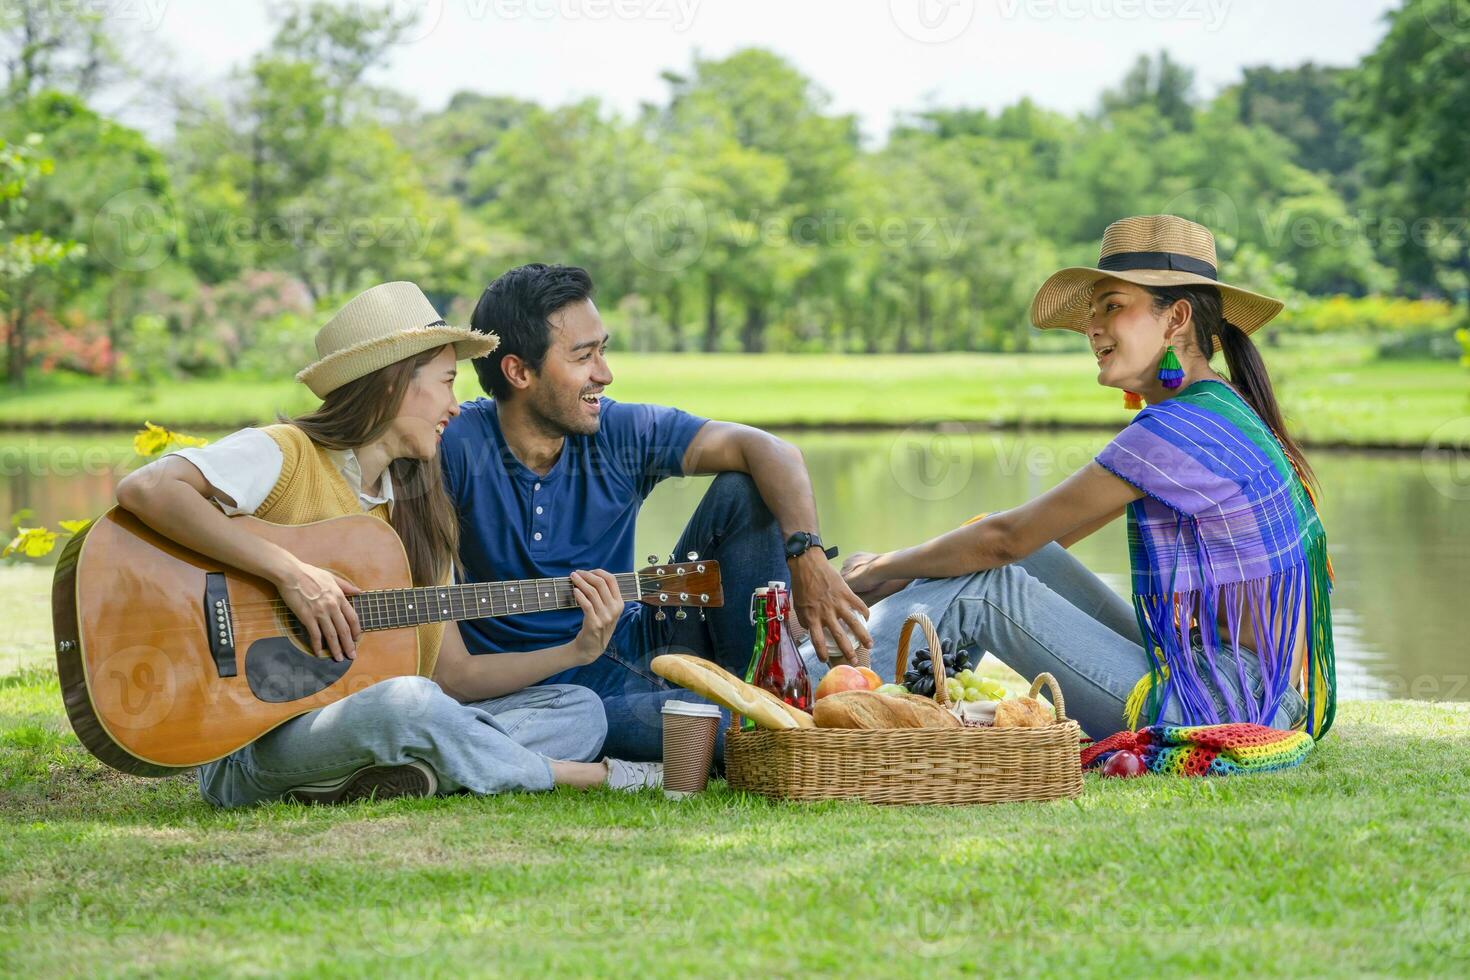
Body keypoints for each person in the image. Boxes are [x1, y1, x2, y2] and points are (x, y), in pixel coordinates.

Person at [115, 281, 661, 805]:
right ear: (395, 382)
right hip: (249, 745)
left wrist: (577, 651)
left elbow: (457, 677)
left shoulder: (420, 508)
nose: (455, 406)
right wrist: (291, 573)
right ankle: (589, 778)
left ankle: (390, 775)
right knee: (409, 704)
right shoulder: (287, 455)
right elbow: (149, 488)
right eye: (447, 382)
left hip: (366, 722)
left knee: (577, 708)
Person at [819, 215, 1336, 741]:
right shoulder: (1218, 407)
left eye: (1112, 306)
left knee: (986, 586)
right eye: (1091, 313)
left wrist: (873, 570)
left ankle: (804, 708)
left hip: (1222, 699)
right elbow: (1033, 541)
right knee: (1002, 555)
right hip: (1244, 686)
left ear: (1176, 317)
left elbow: (1004, 544)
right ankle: (891, 702)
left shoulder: (1180, 426)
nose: (1091, 327)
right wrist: (908, 568)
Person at [440, 263, 872, 761]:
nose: (604, 373)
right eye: (584, 356)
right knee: (726, 732)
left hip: (643, 640)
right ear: (518, 371)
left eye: (602, 350)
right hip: (552, 695)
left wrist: (808, 559)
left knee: (746, 488)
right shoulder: (454, 446)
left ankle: (757, 692)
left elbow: (770, 450)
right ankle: (757, 721)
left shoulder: (620, 433)